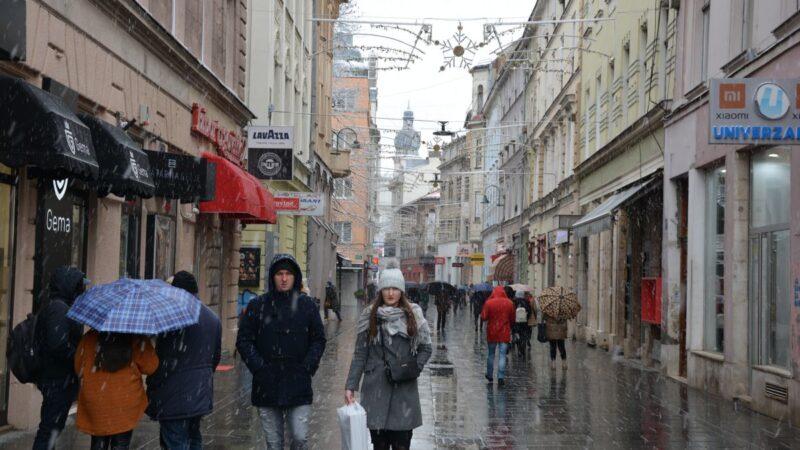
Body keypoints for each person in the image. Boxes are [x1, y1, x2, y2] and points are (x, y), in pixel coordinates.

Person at [236, 254, 327, 450]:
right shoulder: (258, 306)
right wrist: (259, 367)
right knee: (274, 442)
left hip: (298, 381)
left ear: (295, 277)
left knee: (300, 437)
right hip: (267, 384)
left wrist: (307, 367)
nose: (284, 278)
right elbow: (244, 340)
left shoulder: (307, 306)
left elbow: (318, 339)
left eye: (288, 274)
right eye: (279, 274)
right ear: (272, 277)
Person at [345, 266, 432, 450]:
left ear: (401, 291)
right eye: (386, 288)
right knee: (379, 445)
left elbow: (426, 347)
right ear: (380, 290)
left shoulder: (413, 315)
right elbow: (360, 353)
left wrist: (415, 367)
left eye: (395, 289)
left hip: (404, 390)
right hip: (375, 389)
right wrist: (350, 386)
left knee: (402, 444)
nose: (391, 293)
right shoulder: (369, 316)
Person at [147, 271, 222, 450]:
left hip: (174, 395)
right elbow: (215, 358)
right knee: (194, 437)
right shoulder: (213, 318)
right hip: (200, 394)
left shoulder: (173, 316)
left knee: (176, 441)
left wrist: (153, 384)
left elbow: (164, 360)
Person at [33, 266, 87, 450]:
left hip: (58, 378)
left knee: (53, 428)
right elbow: (58, 345)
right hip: (57, 379)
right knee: (50, 429)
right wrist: (78, 356)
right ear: (69, 287)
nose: (82, 291)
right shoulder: (58, 309)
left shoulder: (59, 307)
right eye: (79, 287)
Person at [74, 331, 159, 450]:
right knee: (121, 444)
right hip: (125, 401)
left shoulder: (89, 337)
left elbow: (78, 368)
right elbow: (151, 367)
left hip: (96, 401)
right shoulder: (136, 337)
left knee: (98, 443)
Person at [480, 286, 515, 385]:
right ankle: (501, 376)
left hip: (492, 331)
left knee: (491, 354)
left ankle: (490, 375)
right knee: (502, 355)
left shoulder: (489, 303)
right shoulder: (509, 303)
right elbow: (512, 318)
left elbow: (483, 316)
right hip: (504, 332)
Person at [511, 291, 532, 358]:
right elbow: (529, 311)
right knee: (523, 336)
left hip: (516, 323)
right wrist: (526, 318)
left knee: (517, 335)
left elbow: (511, 311)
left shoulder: (514, 302)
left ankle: (518, 346)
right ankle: (522, 349)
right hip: (524, 323)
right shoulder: (526, 302)